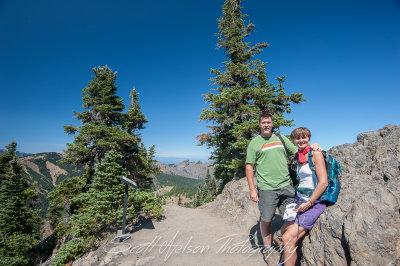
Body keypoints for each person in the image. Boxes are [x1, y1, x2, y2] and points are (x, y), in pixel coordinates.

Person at [245, 112, 321, 254]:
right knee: (266, 219)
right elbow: (249, 166)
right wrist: (252, 189)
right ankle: (267, 249)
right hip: (267, 188)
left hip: (286, 185)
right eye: (263, 122)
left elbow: (297, 151)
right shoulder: (254, 143)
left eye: (269, 122)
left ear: (272, 124)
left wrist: (313, 147)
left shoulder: (280, 138)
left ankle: (281, 240)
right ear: (259, 124)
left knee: (291, 216)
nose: (266, 125)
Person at [279, 127, 328, 266]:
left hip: (315, 200)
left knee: (288, 237)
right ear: (293, 141)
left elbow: (323, 182)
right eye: (297, 138)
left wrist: (310, 203)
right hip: (299, 198)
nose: (301, 140)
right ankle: (283, 261)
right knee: (282, 231)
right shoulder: (297, 156)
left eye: (304, 137)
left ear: (309, 138)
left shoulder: (315, 154)